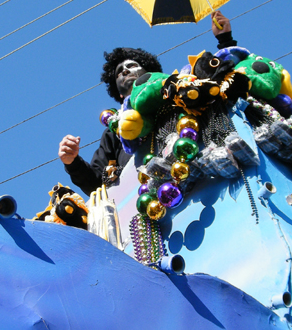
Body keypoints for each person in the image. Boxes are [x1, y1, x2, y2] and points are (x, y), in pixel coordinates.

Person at [59, 11, 234, 196]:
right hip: (148, 207)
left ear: (149, 72)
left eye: (132, 66)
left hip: (210, 179)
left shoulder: (177, 91)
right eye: (119, 72)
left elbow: (225, 82)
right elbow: (96, 185)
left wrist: (225, 39)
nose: (125, 71)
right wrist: (72, 162)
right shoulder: (114, 132)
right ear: (118, 93)